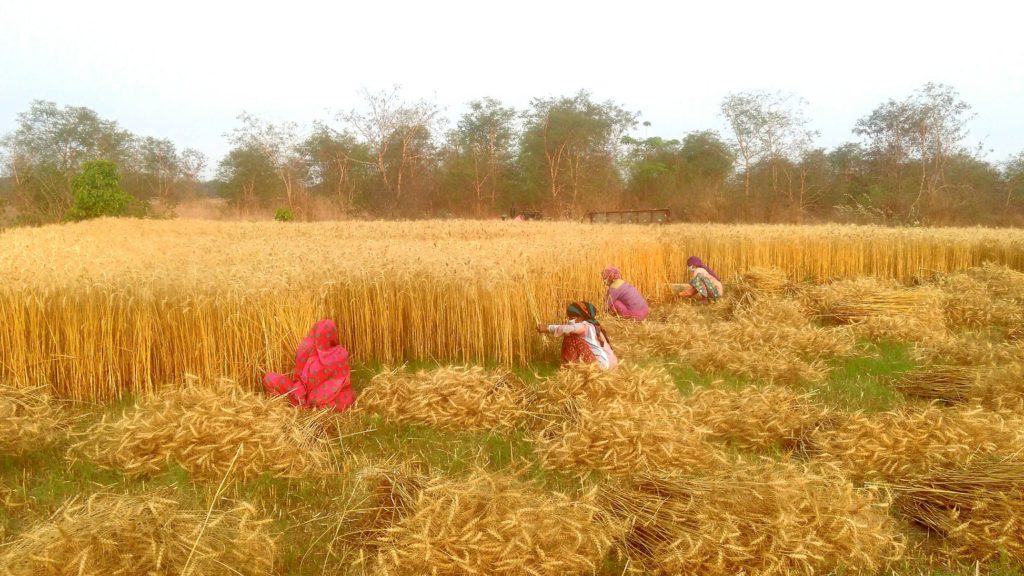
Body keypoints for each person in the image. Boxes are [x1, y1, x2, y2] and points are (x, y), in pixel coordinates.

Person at [264, 319, 356, 411]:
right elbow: (299, 378)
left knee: (347, 398)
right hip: (301, 396)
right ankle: (305, 406)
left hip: (327, 399)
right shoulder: (308, 350)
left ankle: (306, 407)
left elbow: (338, 383)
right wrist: (299, 391)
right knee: (269, 378)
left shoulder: (340, 355)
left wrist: (311, 397)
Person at [536, 301, 618, 369]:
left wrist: (547, 328)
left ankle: (568, 367)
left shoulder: (584, 326)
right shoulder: (595, 326)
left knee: (570, 337)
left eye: (572, 318)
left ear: (581, 317)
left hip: (600, 365)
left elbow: (566, 329)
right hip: (612, 363)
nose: (570, 320)